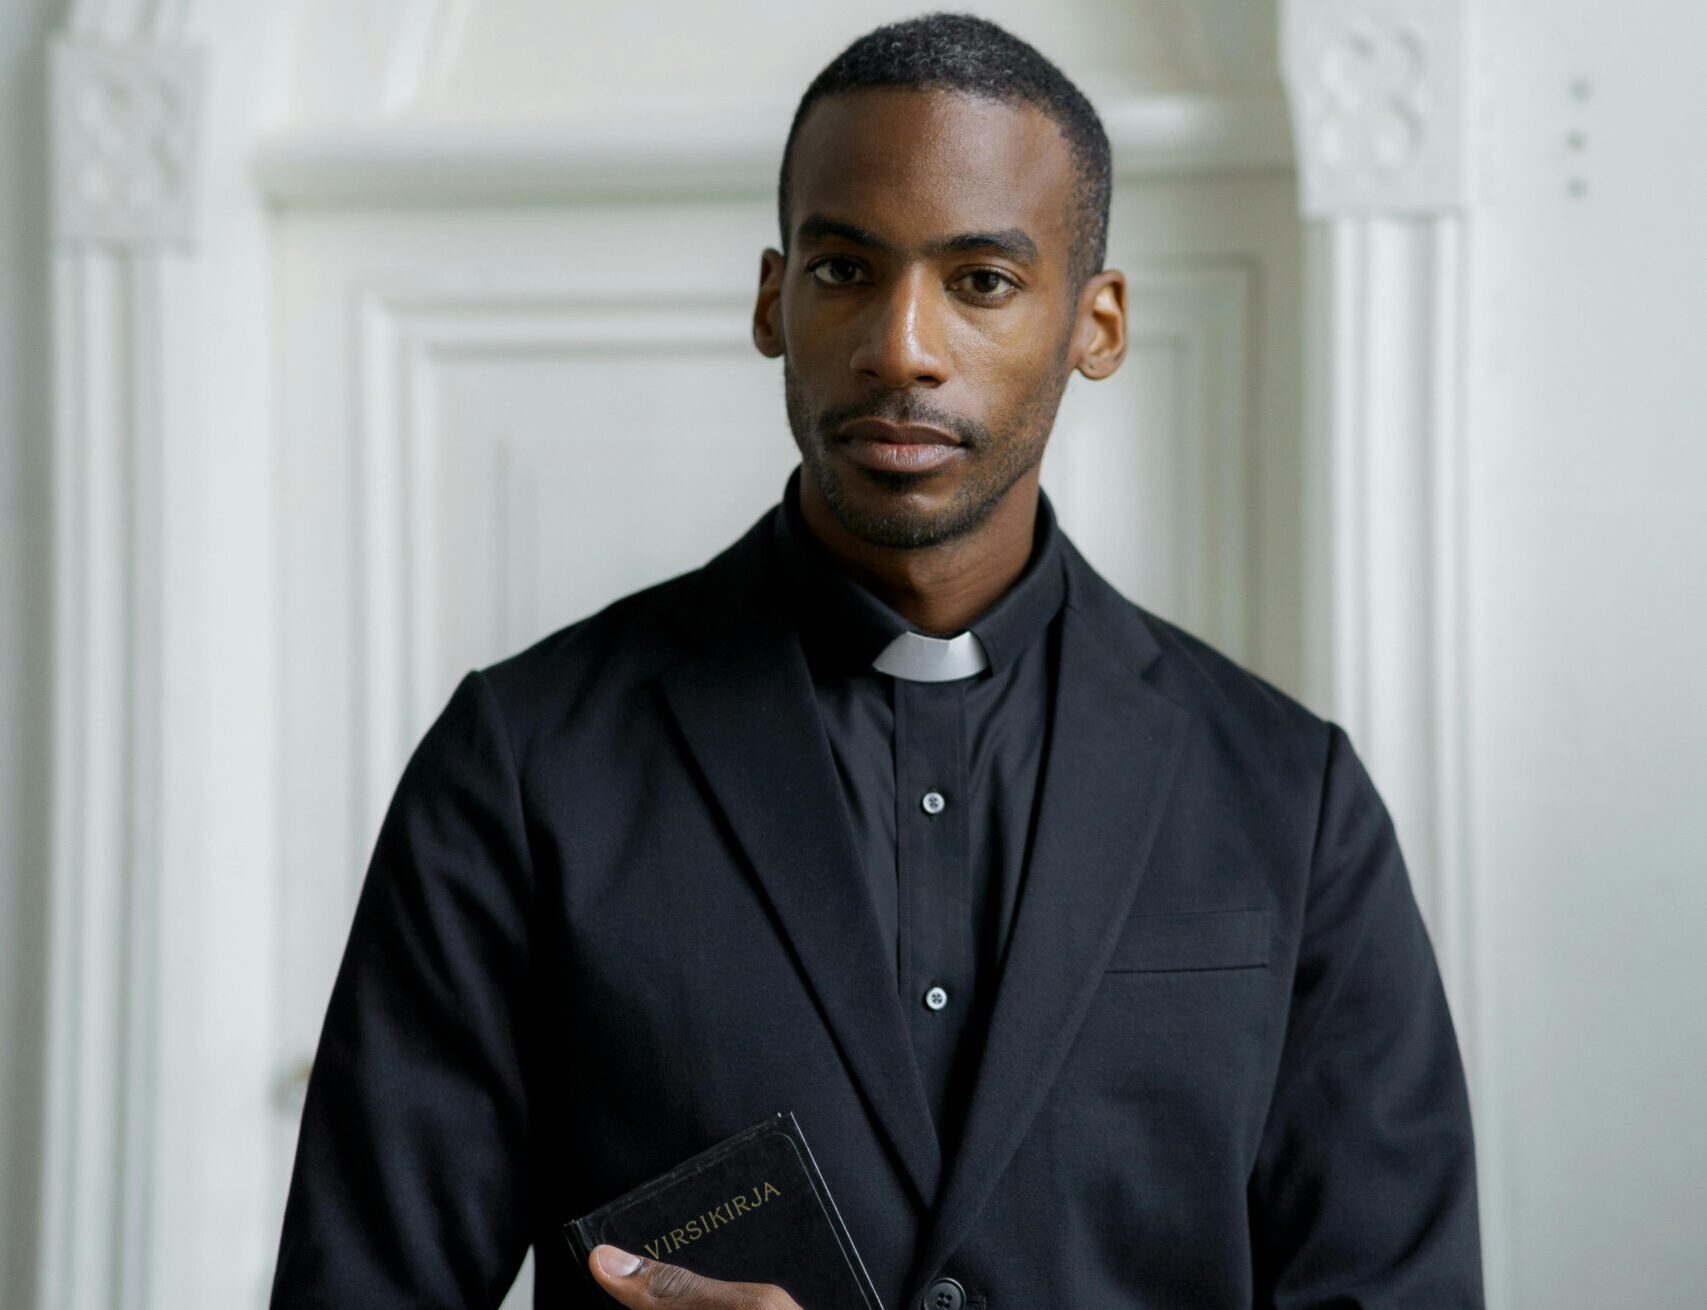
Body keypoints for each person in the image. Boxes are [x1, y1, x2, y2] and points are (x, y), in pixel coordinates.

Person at [269, 13, 1485, 1310]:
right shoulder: (521, 763)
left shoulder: (1288, 798)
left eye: (981, 281)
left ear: (1099, 319)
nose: (903, 343)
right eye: (846, 268)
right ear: (770, 299)